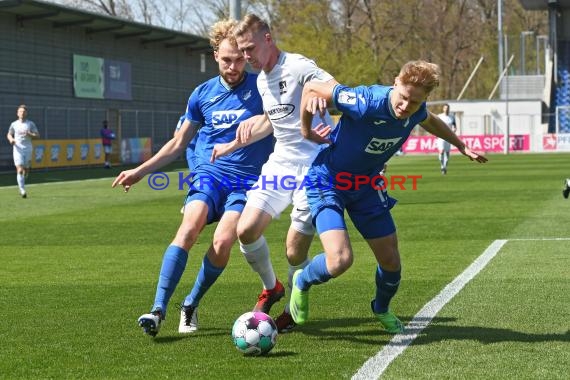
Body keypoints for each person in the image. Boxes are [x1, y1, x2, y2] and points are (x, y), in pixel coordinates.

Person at [289, 60, 488, 333]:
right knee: (339, 260)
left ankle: (381, 308)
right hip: (328, 181)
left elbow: (430, 121)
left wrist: (462, 146)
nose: (406, 106)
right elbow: (311, 87)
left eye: (415, 102)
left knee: (391, 263)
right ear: (395, 82)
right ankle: (302, 280)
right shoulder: (365, 100)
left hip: (367, 186)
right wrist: (305, 130)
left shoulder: (416, 112)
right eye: (404, 97)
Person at [112, 19, 273, 337]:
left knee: (224, 240)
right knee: (188, 229)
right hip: (211, 175)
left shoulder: (263, 87)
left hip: (248, 181)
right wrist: (140, 171)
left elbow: (283, 117)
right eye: (226, 59)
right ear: (215, 55)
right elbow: (177, 143)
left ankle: (190, 303)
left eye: (239, 58)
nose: (233, 66)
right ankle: (157, 310)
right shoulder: (202, 95)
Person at [213, 13, 338, 333]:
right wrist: (231, 146)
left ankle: (296, 303)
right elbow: (273, 121)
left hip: (314, 164)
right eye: (242, 52)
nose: (246, 57)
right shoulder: (261, 79)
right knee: (247, 229)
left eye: (250, 49)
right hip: (281, 162)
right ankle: (272, 287)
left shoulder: (297, 66)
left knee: (295, 250)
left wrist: (318, 94)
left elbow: (336, 90)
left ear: (268, 39)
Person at [6, 104, 40, 198]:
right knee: (20, 169)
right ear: (17, 113)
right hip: (17, 149)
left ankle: (25, 176)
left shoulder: (30, 124)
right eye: (20, 111)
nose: (22, 113)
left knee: (26, 170)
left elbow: (37, 136)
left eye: (24, 111)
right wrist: (11, 140)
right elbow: (9, 134)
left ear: (26, 113)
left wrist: (30, 134)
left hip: (28, 149)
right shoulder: (14, 124)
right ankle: (22, 190)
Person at [436, 103, 457, 175]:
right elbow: (436, 125)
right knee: (441, 151)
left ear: (449, 109)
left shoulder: (452, 117)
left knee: (447, 154)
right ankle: (442, 166)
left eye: (447, 108)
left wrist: (453, 131)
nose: (446, 109)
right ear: (443, 109)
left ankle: (445, 167)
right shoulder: (439, 116)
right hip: (441, 136)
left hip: (449, 137)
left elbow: (455, 126)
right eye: (445, 108)